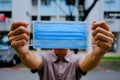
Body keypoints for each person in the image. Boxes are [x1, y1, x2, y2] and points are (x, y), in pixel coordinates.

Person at [7, 21, 114, 80]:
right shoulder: (44, 58)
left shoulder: (76, 59)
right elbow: (34, 61)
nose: (60, 42)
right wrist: (23, 54)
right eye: (57, 38)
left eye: (64, 38)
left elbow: (85, 64)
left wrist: (97, 56)